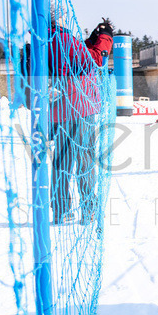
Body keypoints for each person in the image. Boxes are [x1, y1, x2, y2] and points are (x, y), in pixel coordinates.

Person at [49, 17, 113, 223]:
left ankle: (61, 209)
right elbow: (96, 59)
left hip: (60, 109)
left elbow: (75, 57)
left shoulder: (49, 37)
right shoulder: (62, 37)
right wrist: (105, 37)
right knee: (84, 160)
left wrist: (90, 40)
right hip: (79, 106)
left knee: (62, 161)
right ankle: (89, 209)